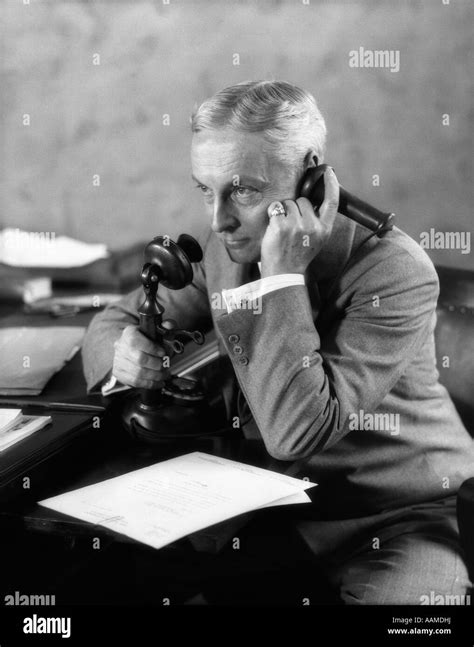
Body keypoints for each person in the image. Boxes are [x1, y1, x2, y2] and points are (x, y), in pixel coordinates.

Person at [82, 80, 474, 605]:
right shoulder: (226, 248)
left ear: (311, 173)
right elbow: (115, 319)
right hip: (282, 511)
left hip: (406, 512)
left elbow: (296, 431)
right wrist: (124, 353)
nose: (217, 219)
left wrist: (281, 278)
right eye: (205, 189)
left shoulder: (394, 271)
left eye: (243, 190)